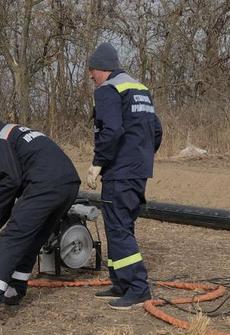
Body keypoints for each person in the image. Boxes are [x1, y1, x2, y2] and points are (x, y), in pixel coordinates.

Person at [0, 106, 80, 331]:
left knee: (11, 238)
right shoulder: (12, 132)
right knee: (34, 237)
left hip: (44, 187)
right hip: (67, 184)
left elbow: (9, 179)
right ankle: (15, 289)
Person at [86, 42, 163, 310]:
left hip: (119, 172)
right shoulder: (140, 89)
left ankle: (138, 288)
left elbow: (112, 131)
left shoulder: (108, 90)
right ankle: (121, 283)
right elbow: (156, 132)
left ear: (101, 69)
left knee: (118, 227)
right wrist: (140, 157)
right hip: (138, 170)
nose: (91, 77)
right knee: (123, 225)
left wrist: (98, 163)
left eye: (92, 71)